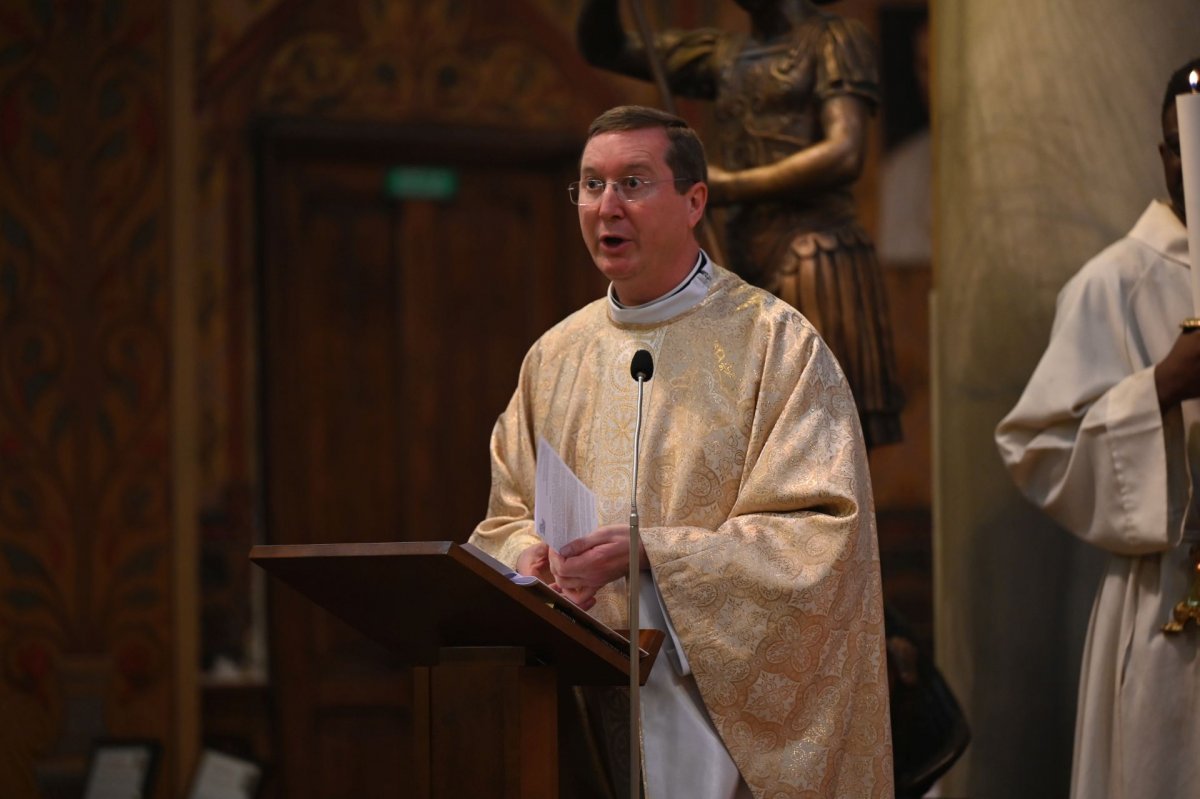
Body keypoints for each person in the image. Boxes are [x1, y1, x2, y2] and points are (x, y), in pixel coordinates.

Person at [469, 105, 892, 798]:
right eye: (590, 184)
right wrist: (530, 558)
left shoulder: (776, 345)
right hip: (583, 706)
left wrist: (654, 558)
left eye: (633, 182)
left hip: (716, 720)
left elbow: (821, 538)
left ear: (695, 201)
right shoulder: (554, 358)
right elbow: (504, 513)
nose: (607, 206)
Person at [995, 57, 1200, 799]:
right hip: (1171, 599)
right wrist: (1161, 387)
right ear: (1166, 155)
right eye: (1189, 146)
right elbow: (1036, 445)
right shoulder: (1116, 281)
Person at [577, 0, 904, 450]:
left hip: (813, 247)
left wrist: (732, 186)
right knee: (745, 429)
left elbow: (845, 151)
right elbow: (606, 49)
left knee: (823, 432)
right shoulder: (724, 53)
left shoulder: (832, 40)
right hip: (743, 248)